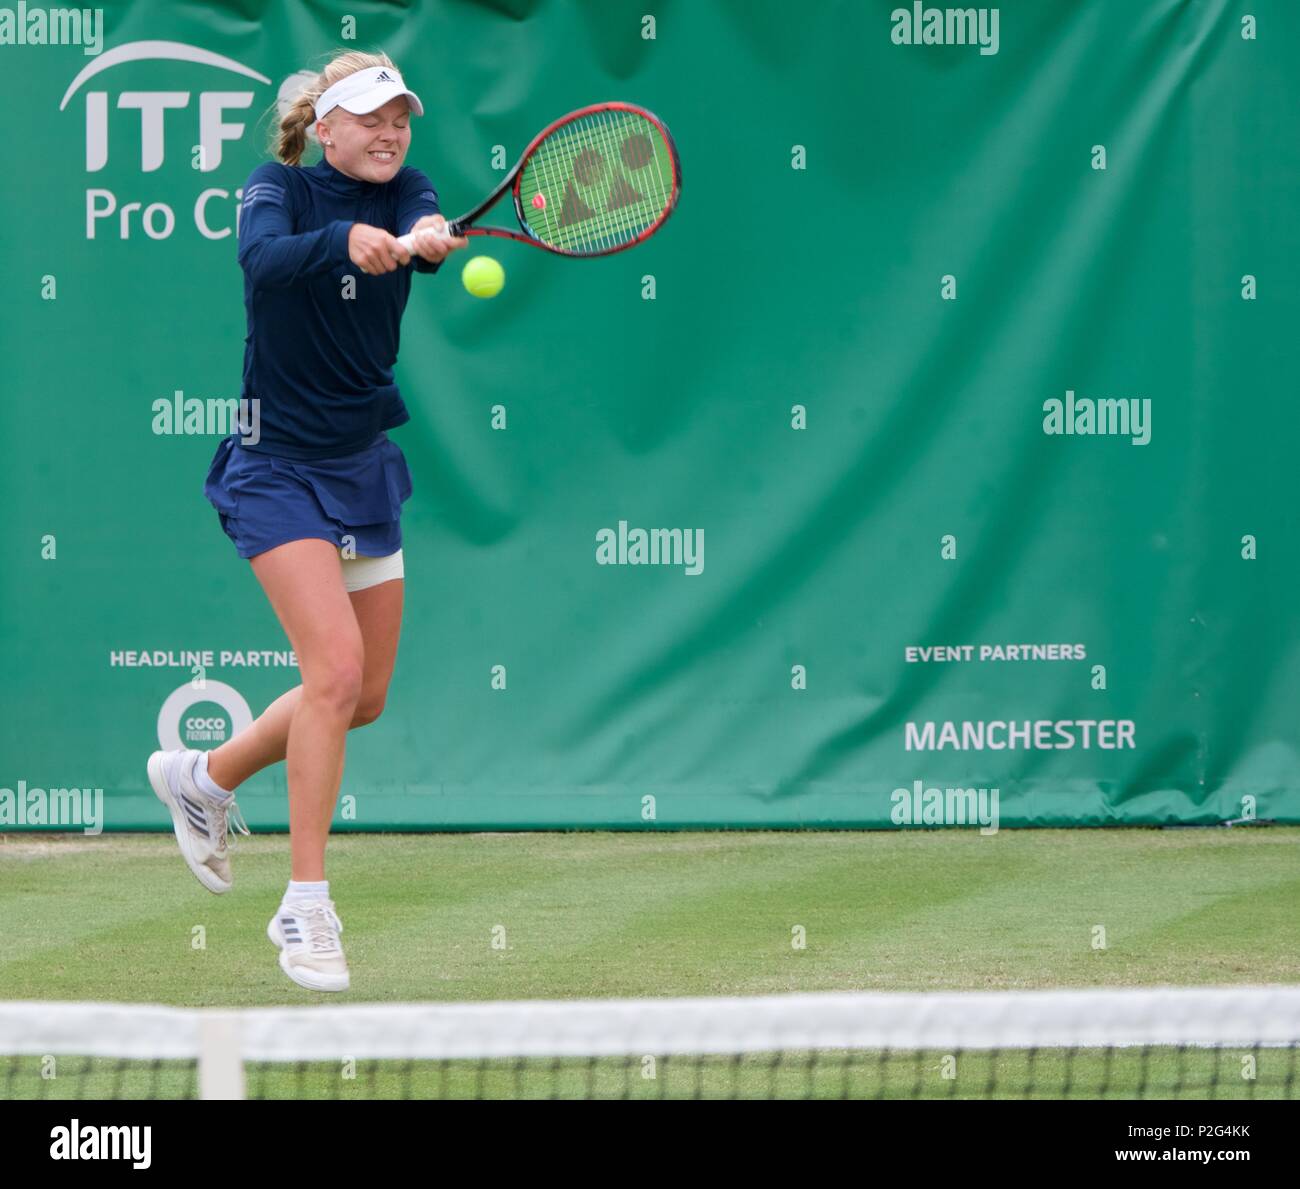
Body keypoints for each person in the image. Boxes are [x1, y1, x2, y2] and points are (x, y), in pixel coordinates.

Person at [146, 50, 466, 992]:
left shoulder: (410, 187)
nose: (389, 132)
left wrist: (426, 235)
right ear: (323, 126)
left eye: (400, 115)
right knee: (331, 672)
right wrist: (344, 244)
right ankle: (307, 905)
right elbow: (262, 261)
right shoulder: (272, 189)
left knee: (362, 697)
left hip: (362, 465)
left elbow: (420, 216)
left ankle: (203, 779)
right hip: (272, 463)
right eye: (369, 117)